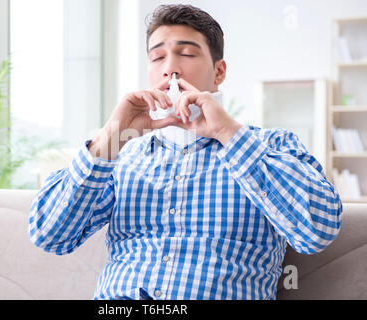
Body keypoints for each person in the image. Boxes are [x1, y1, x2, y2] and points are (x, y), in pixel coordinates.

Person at [28, 4, 343, 300]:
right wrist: (111, 135)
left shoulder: (273, 147)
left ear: (218, 73)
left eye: (187, 54)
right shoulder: (120, 158)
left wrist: (227, 134)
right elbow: (50, 235)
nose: (170, 69)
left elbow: (317, 230)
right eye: (157, 58)